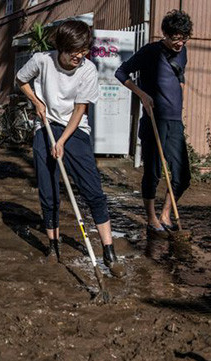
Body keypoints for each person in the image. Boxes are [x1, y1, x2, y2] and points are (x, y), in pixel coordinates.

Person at [16, 20, 125, 277]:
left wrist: (62, 141)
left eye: (84, 50)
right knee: (49, 190)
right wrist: (36, 101)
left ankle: (108, 250)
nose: (79, 55)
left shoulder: (87, 70)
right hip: (45, 125)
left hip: (74, 130)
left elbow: (80, 110)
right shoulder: (42, 60)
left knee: (93, 190)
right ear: (60, 48)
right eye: (74, 51)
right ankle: (54, 246)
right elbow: (21, 79)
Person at [115, 10, 192, 239]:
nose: (180, 42)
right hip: (154, 121)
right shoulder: (150, 52)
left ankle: (166, 214)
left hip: (174, 121)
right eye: (176, 37)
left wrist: (178, 99)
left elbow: (179, 79)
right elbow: (121, 72)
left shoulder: (183, 52)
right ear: (165, 34)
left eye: (184, 37)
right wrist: (142, 94)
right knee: (153, 172)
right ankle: (151, 219)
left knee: (183, 175)